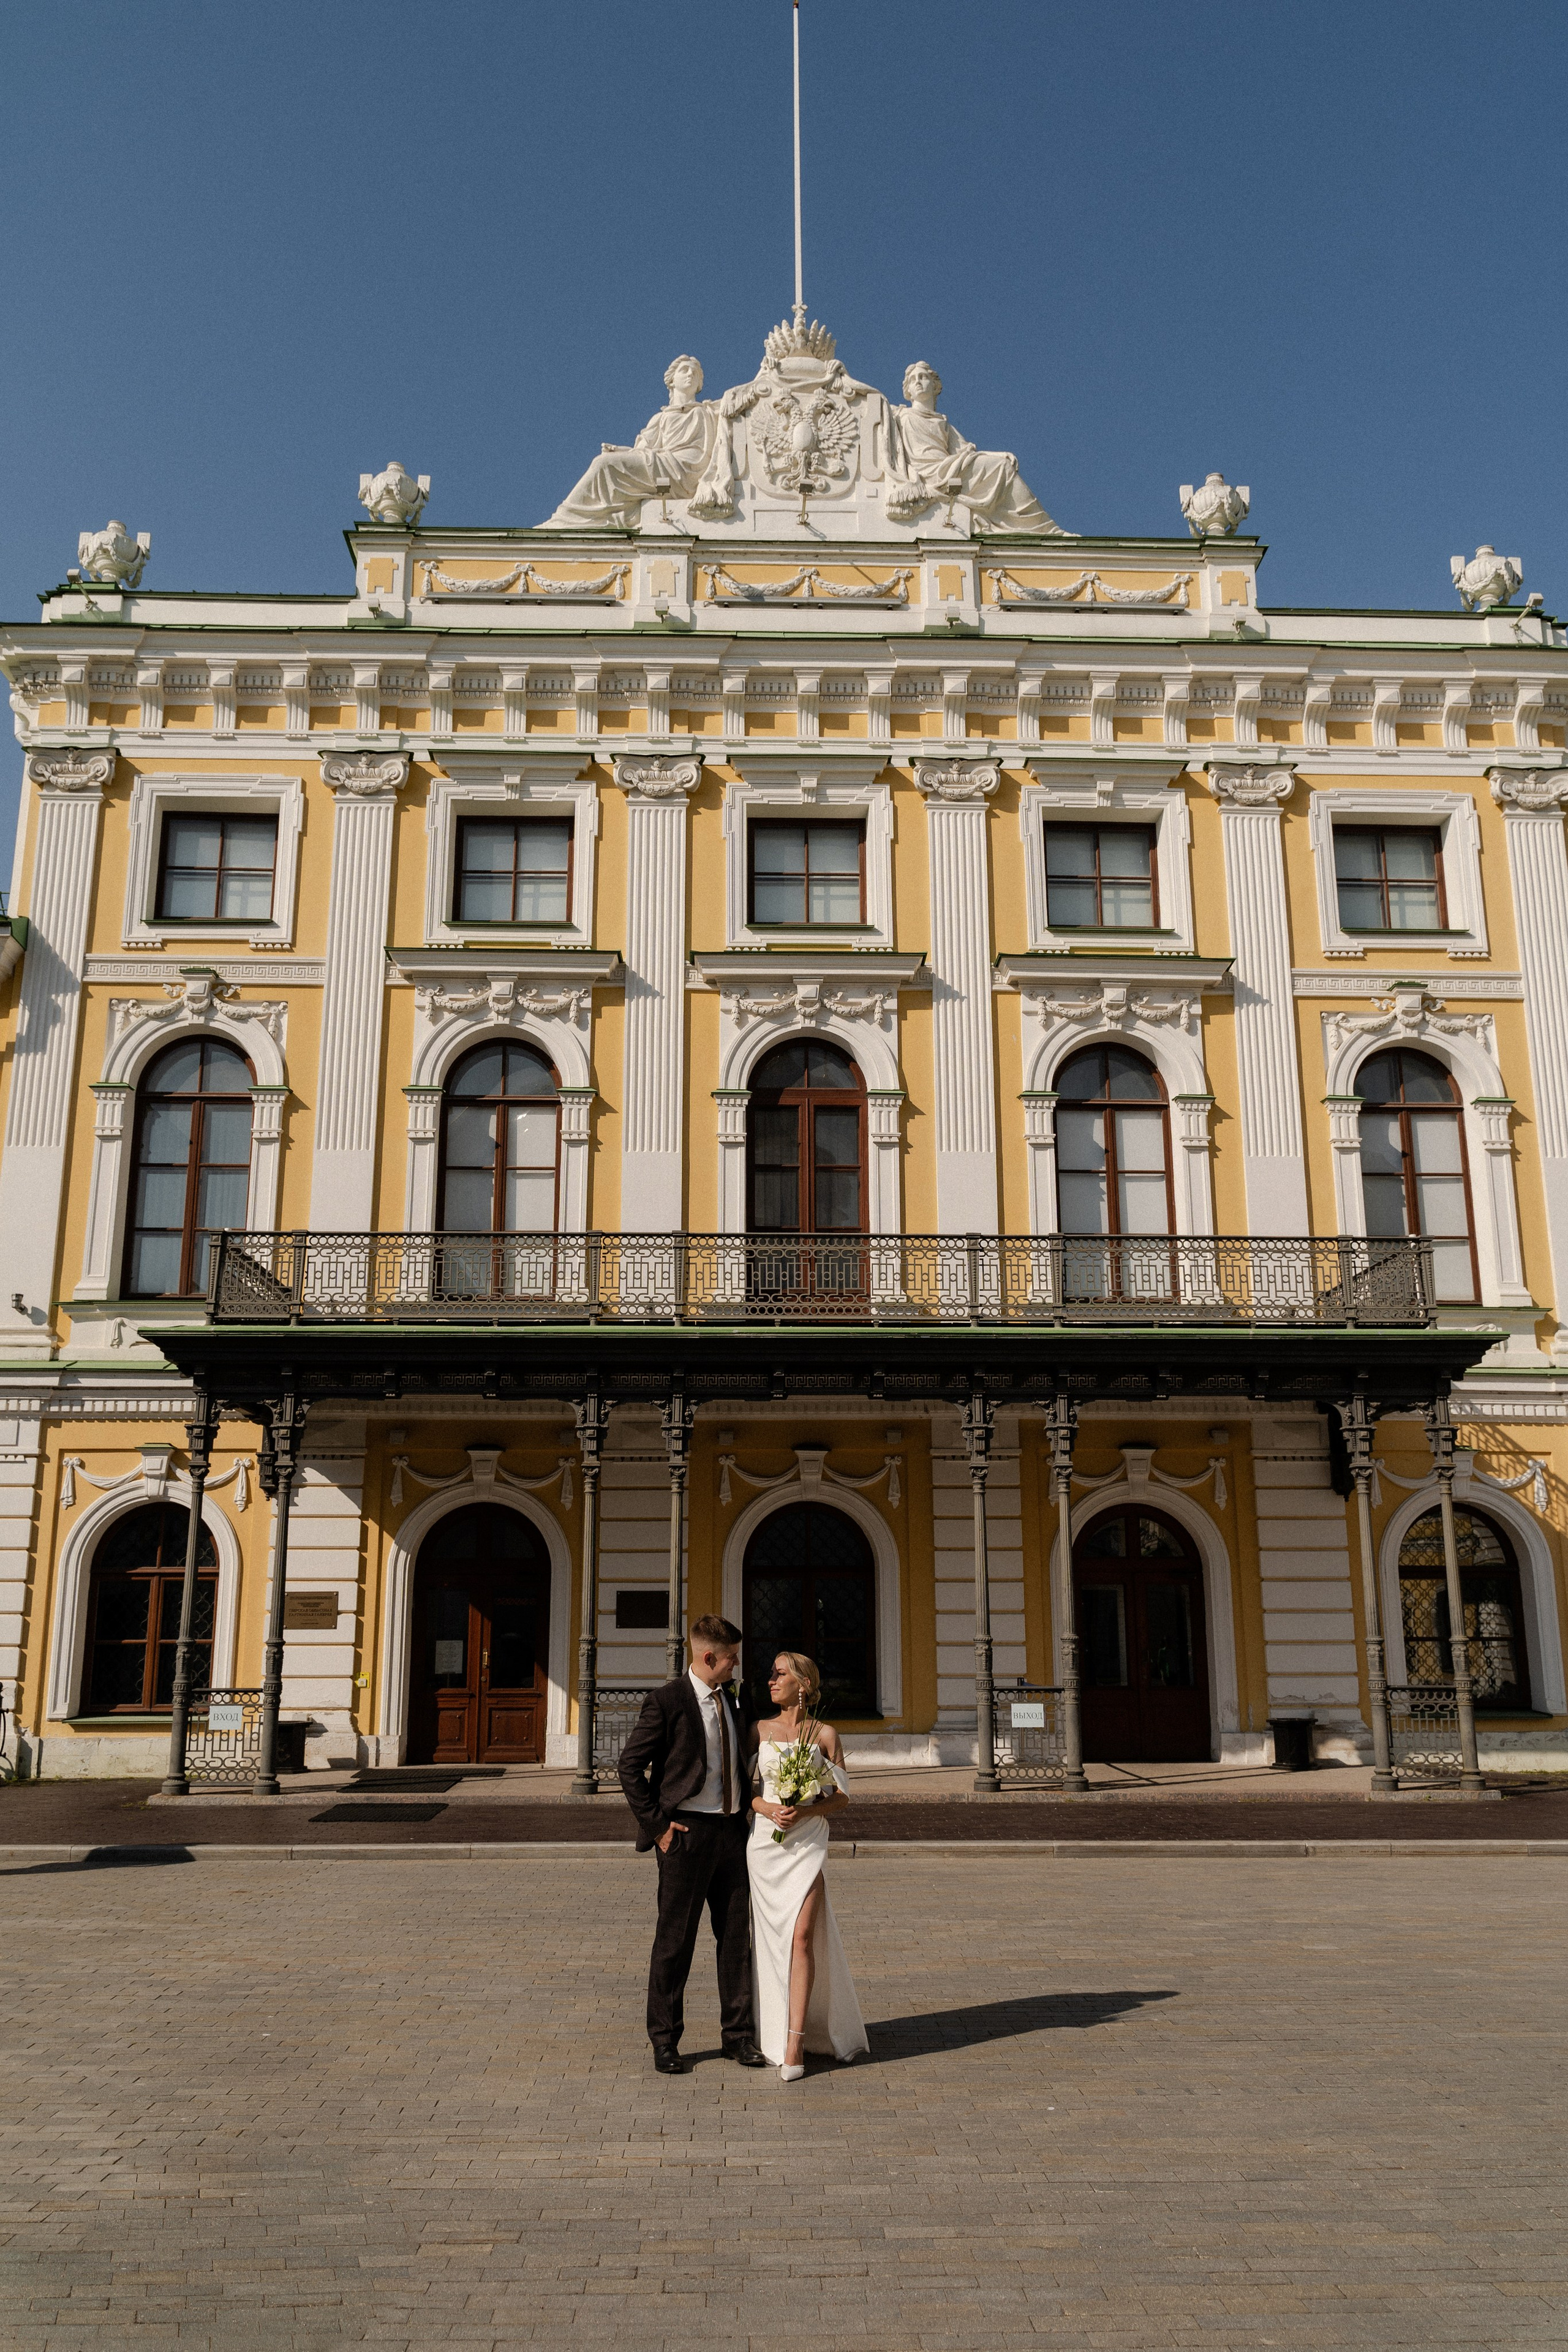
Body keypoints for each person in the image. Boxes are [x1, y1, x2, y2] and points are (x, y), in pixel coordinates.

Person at [617, 1613, 767, 2076]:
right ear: (708, 1658)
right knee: (675, 1943)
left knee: (736, 1942)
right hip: (685, 1837)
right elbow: (629, 1768)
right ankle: (665, 2042)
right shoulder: (667, 1702)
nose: (736, 1666)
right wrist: (659, 1827)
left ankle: (738, 2038)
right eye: (731, 1659)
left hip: (733, 1836)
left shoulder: (736, 1701)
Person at [748, 1651, 870, 2081]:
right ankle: (771, 2029)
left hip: (807, 1842)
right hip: (765, 1846)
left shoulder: (826, 1734)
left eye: (779, 1674)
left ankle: (796, 2039)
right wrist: (769, 1808)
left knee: (802, 1937)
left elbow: (842, 1796)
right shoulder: (759, 1730)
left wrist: (805, 1809)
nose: (770, 1681)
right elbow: (747, 1792)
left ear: (803, 1682)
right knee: (773, 1941)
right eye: (771, 1674)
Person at [543, 355, 729, 529]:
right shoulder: (661, 418)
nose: (691, 374)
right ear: (672, 380)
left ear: (699, 384)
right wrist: (620, 451)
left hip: (688, 471)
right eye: (685, 370)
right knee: (605, 463)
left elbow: (740, 398)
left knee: (603, 465)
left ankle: (564, 519)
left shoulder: (708, 411)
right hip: (663, 465)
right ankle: (574, 518)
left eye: (695, 373)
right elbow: (642, 450)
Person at [885, 361, 1063, 533]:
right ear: (907, 390)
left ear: (934, 386)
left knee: (1003, 465)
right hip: (928, 473)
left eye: (923, 377)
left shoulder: (944, 424)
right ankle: (1046, 531)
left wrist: (997, 455)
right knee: (1002, 468)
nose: (918, 381)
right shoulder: (900, 415)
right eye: (913, 379)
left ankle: (1044, 529)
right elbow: (872, 399)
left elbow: (967, 452)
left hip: (949, 468)